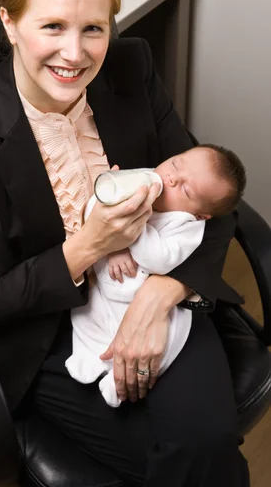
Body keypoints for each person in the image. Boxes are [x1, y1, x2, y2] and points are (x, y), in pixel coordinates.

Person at [0, 0, 250, 486]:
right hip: (50, 325)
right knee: (185, 463)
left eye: (93, 28)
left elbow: (207, 198)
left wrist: (164, 291)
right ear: (8, 20)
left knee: (206, 441)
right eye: (51, 25)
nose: (75, 55)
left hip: (158, 291)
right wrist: (91, 244)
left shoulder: (132, 68)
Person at [66, 145, 247, 407]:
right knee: (87, 316)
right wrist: (113, 245)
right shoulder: (143, 178)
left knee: (170, 338)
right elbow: (96, 202)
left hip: (141, 290)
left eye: (185, 189)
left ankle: (116, 383)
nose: (172, 178)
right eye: (175, 164)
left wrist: (134, 225)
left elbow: (160, 259)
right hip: (104, 284)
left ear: (200, 214)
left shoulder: (187, 226)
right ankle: (86, 357)